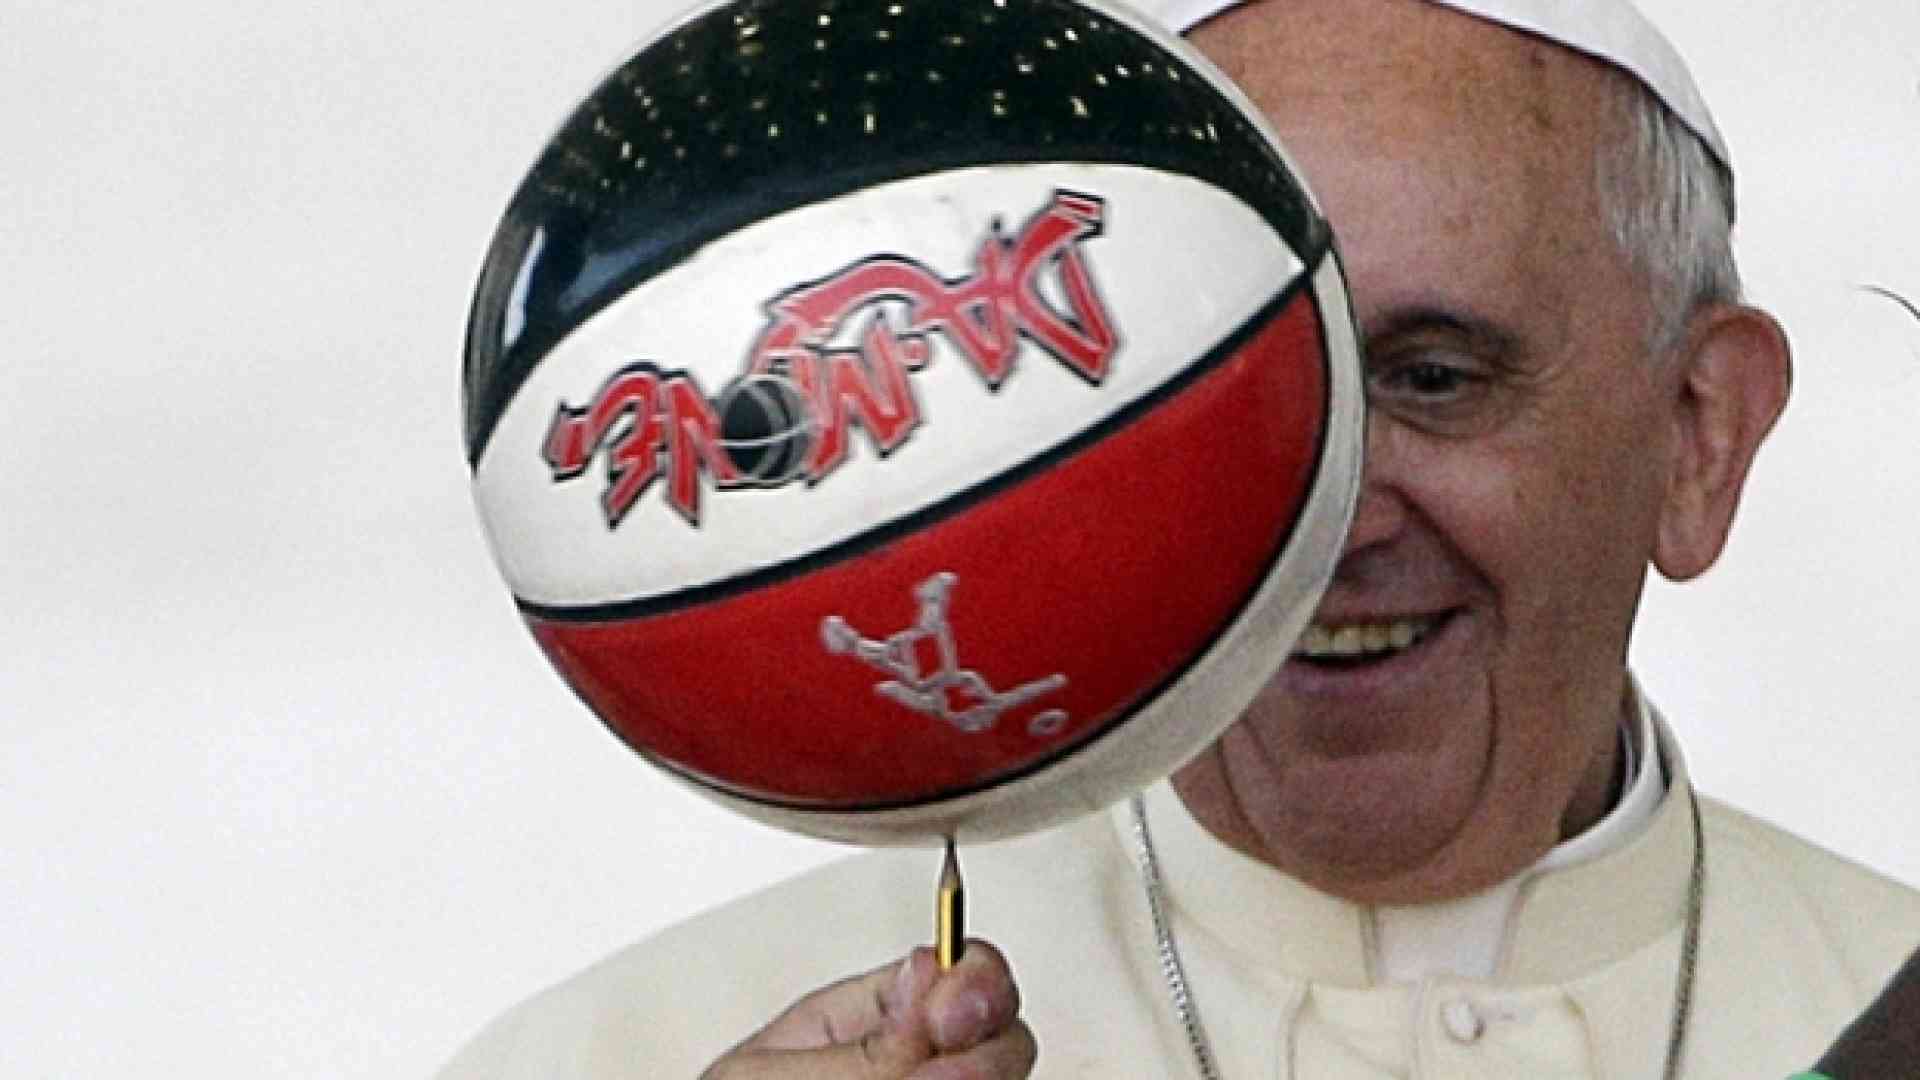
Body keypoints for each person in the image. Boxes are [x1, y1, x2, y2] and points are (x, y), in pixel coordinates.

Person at [440, 0, 1920, 1076]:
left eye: (1430, 377)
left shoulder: (1881, 1004)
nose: (1324, 515)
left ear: (1698, 436)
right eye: (1224, 398)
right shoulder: (625, 1053)